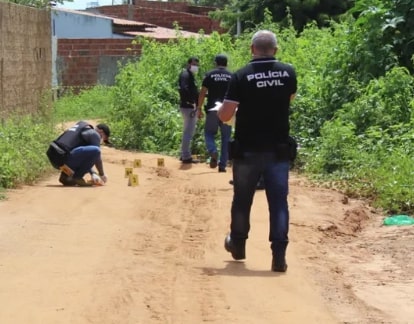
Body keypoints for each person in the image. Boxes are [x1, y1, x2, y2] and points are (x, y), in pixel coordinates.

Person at [217, 30, 297, 272]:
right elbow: (289, 99)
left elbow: (226, 114)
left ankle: (238, 245)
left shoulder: (241, 75)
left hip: (248, 150)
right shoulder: (288, 72)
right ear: (276, 49)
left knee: (242, 199)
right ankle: (279, 256)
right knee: (278, 202)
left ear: (252, 49)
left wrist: (227, 111)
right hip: (278, 150)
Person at [46, 121, 110, 186]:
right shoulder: (94, 134)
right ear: (101, 131)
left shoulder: (80, 129)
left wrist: (93, 173)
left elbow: (83, 160)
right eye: (103, 138)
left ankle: (65, 178)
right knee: (96, 150)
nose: (101, 141)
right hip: (62, 157)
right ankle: (77, 177)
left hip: (54, 156)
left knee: (84, 154)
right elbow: (97, 157)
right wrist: (101, 174)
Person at [197, 54, 233, 172]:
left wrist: (199, 108)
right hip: (227, 111)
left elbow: (202, 92)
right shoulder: (231, 76)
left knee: (209, 133)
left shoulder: (210, 75)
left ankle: (213, 151)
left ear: (215, 63)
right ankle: (222, 166)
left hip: (212, 110)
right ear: (226, 64)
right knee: (226, 138)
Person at [178, 56, 201, 164]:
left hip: (190, 106)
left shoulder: (190, 75)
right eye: (194, 64)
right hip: (188, 107)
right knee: (188, 132)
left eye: (197, 65)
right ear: (188, 64)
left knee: (187, 131)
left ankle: (184, 154)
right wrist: (191, 101)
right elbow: (184, 89)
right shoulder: (185, 75)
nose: (195, 67)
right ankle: (186, 156)